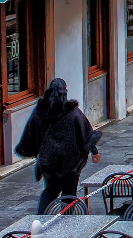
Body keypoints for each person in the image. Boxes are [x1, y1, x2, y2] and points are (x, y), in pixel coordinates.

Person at [15, 78, 102, 213]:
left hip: (49, 163)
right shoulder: (73, 113)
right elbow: (86, 135)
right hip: (71, 164)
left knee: (50, 191)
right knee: (69, 195)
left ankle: (41, 220)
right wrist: (94, 151)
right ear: (64, 93)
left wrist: (36, 153)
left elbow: (30, 134)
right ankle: (66, 224)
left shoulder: (39, 112)